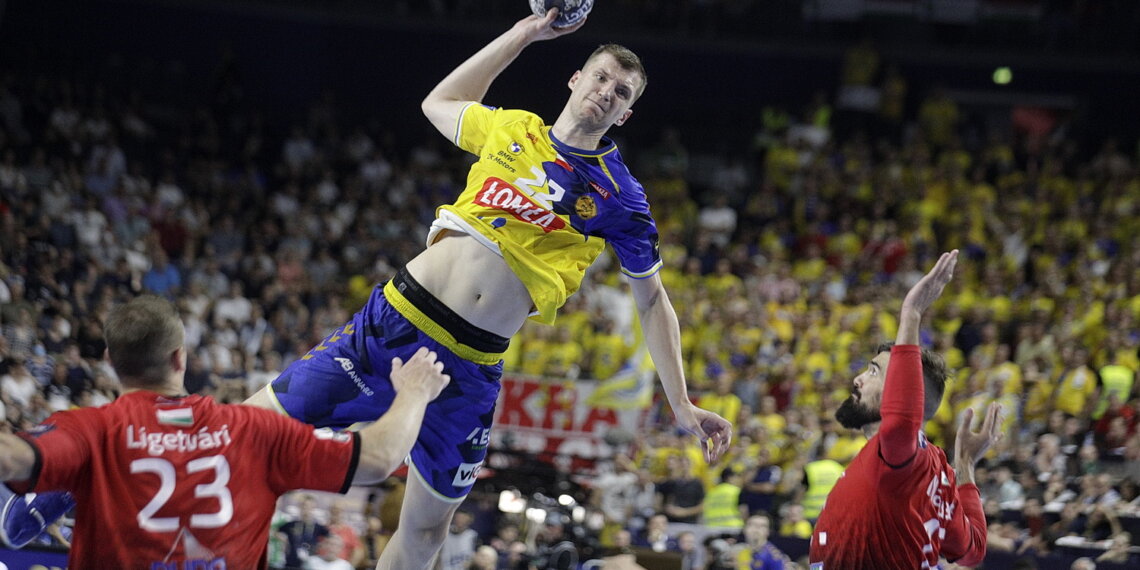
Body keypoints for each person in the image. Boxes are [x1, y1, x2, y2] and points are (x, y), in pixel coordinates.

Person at [245, 7, 732, 569]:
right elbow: (437, 104)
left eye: (621, 92)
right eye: (599, 77)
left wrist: (681, 402)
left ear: (626, 113)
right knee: (250, 431)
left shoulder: (620, 197)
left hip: (469, 371)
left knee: (427, 532)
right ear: (575, 79)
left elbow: (652, 299)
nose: (606, 92)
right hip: (390, 326)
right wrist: (525, 34)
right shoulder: (513, 128)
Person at [0, 295, 450, 568]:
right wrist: (413, 393)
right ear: (181, 358)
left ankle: (63, 488)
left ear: (110, 361)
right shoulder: (252, 429)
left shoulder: (89, 429)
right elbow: (378, 458)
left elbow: (12, 459)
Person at [808, 251, 1001, 568]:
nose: (858, 379)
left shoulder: (902, 457)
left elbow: (900, 422)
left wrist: (911, 314)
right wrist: (965, 465)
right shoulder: (938, 472)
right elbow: (972, 550)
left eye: (874, 372)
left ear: (904, 393)